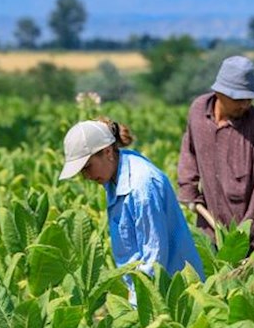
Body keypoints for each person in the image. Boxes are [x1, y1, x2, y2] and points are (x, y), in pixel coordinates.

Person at [59, 118, 205, 302]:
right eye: (81, 172)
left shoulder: (141, 185)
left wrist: (138, 306)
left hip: (173, 293)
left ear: (107, 152)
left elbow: (154, 256)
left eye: (87, 167)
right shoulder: (115, 172)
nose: (86, 176)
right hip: (152, 288)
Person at [177, 55, 254, 251]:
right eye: (239, 99)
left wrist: (243, 239)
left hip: (247, 239)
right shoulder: (198, 112)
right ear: (219, 92)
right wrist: (188, 190)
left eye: (249, 98)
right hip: (208, 229)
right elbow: (189, 154)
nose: (245, 104)